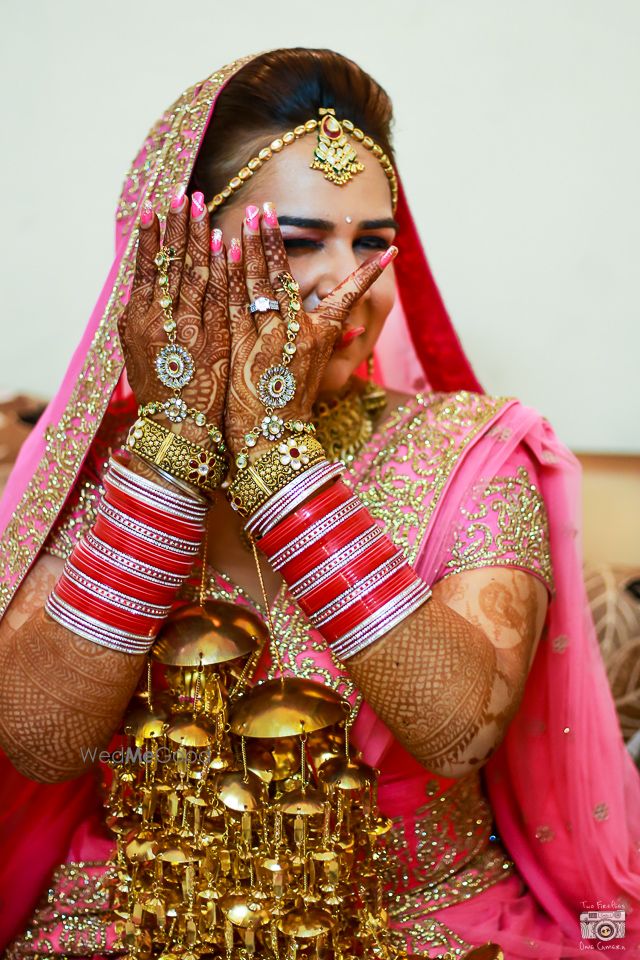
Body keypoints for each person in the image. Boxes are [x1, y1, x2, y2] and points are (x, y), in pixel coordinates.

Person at [0, 48, 638, 960]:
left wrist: (274, 454)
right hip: (131, 919)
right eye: (299, 242)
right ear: (176, 259)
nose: (358, 286)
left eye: (374, 242)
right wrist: (177, 449)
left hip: (416, 924)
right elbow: (39, 739)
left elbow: (457, 726)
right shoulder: (104, 462)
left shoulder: (471, 446)